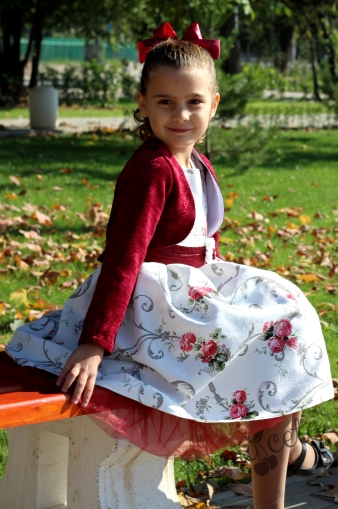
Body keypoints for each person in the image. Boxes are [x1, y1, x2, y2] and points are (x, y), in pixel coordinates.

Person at [7, 22, 334, 509]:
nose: (180, 115)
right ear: (142, 103)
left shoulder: (191, 159)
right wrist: (96, 342)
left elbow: (205, 235)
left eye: (193, 103)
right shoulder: (152, 169)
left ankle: (283, 466)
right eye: (164, 102)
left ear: (214, 104)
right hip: (151, 304)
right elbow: (123, 257)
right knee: (275, 338)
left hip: (193, 287)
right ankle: (287, 460)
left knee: (287, 315)